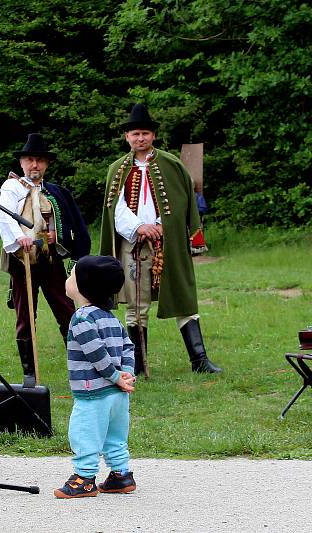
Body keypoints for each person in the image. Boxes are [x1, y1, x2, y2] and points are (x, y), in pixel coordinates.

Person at [99, 104, 222, 374]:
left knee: (182, 295)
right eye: (134, 134)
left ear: (153, 135)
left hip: (169, 242)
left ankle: (199, 360)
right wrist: (139, 228)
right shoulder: (116, 169)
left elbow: (181, 203)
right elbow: (114, 209)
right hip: (133, 244)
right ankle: (138, 365)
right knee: (135, 303)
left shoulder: (172, 165)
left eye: (144, 133)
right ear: (126, 137)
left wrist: (158, 225)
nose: (139, 138)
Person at [0, 133, 91, 384]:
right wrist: (20, 238)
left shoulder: (56, 192)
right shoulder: (11, 187)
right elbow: (5, 216)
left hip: (51, 262)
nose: (34, 165)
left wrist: (56, 236)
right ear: (22, 163)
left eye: (39, 160)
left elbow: (71, 225)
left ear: (46, 164)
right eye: (29, 160)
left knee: (67, 310)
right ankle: (30, 373)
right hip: (22, 261)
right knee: (25, 316)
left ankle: (80, 364)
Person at [54, 255, 136, 499]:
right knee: (115, 436)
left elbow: (95, 352)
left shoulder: (81, 318)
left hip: (93, 393)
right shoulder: (111, 318)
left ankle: (85, 478)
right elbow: (128, 347)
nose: (67, 279)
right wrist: (127, 375)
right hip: (118, 395)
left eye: (72, 275)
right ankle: (121, 475)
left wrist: (113, 376)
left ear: (83, 287)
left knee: (83, 432)